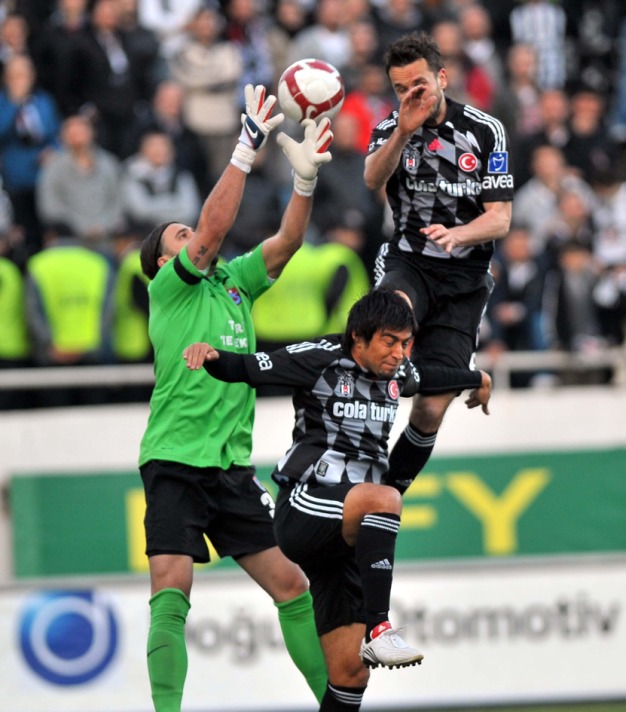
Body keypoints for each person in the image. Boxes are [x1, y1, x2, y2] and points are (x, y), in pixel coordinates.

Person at [182, 289, 492, 712]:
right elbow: (249, 368)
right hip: (306, 505)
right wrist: (210, 355)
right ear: (358, 337)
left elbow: (432, 377)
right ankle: (381, 630)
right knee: (384, 497)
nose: (399, 353)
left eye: (406, 343)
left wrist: (476, 379)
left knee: (349, 675)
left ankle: (364, 651)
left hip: (347, 531)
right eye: (389, 341)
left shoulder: (400, 371)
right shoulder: (320, 356)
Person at [137, 83, 333, 712]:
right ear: (164, 261)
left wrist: (302, 185)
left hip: (229, 466)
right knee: (172, 591)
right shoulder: (171, 290)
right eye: (177, 235)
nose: (189, 234)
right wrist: (244, 151)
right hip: (175, 455)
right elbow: (214, 230)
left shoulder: (233, 287)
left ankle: (337, 704)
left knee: (291, 584)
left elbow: (284, 246)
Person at [363, 31, 514, 494]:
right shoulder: (391, 129)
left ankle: (389, 492)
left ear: (442, 78)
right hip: (410, 261)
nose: (413, 95)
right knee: (388, 324)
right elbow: (371, 178)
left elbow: (500, 219)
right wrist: (405, 130)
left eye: (420, 85)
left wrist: (459, 234)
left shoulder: (486, 131)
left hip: (465, 280)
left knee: (429, 409)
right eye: (401, 88)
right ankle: (348, 466)